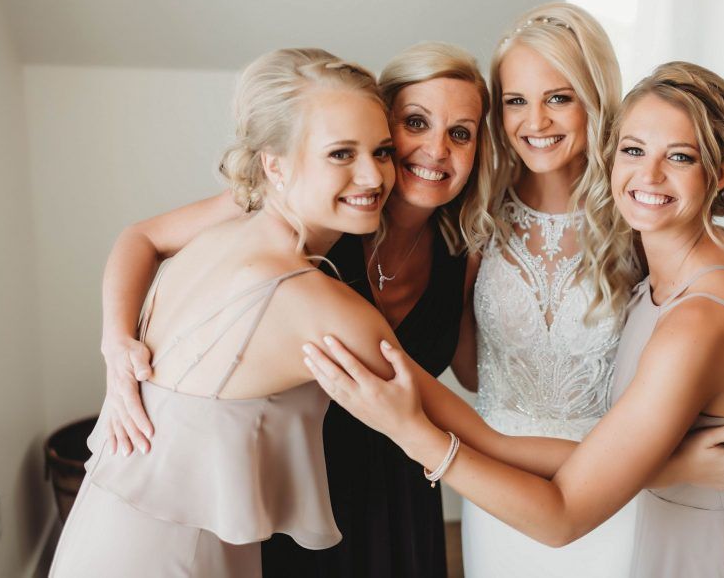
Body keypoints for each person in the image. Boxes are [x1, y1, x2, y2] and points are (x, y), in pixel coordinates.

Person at [51, 48, 572, 577]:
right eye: (342, 153)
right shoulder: (314, 290)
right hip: (215, 529)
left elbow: (471, 372)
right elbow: (489, 443)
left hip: (120, 521)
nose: (371, 176)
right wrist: (116, 343)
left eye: (379, 152)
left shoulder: (232, 246)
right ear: (273, 166)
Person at [304, 60, 724, 578]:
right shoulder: (692, 257)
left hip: (696, 539)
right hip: (591, 491)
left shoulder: (695, 298)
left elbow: (564, 516)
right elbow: (485, 403)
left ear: (722, 171)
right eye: (635, 151)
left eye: (679, 157)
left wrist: (410, 428)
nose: (650, 175)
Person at [452, 2, 724, 577]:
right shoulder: (475, 215)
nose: (536, 121)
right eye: (516, 100)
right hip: (500, 493)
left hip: (620, 493)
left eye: (559, 97)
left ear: (595, 99)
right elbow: (471, 369)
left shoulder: (641, 215)